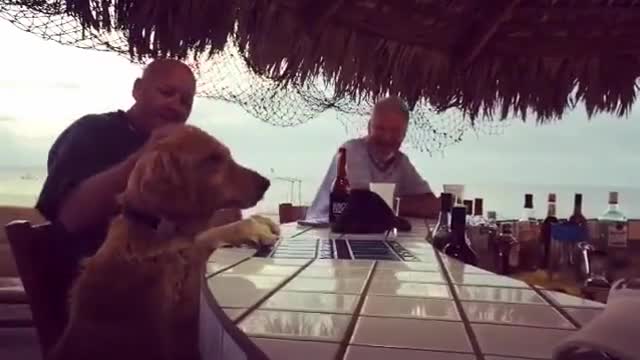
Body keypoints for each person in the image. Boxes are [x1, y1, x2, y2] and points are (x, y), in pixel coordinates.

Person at [36, 58, 239, 265]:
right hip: (91, 283)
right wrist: (145, 154)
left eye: (185, 102)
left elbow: (178, 228)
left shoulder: (175, 159)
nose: (175, 106)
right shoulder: (92, 131)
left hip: (159, 273)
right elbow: (70, 219)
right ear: (137, 89)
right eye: (166, 93)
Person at [305, 96, 440, 220]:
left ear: (404, 134)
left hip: (367, 235)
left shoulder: (401, 162)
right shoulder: (351, 151)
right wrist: (400, 204)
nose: (387, 137)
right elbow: (361, 206)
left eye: (394, 131)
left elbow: (432, 205)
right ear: (369, 127)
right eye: (380, 129)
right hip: (323, 233)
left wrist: (391, 203)